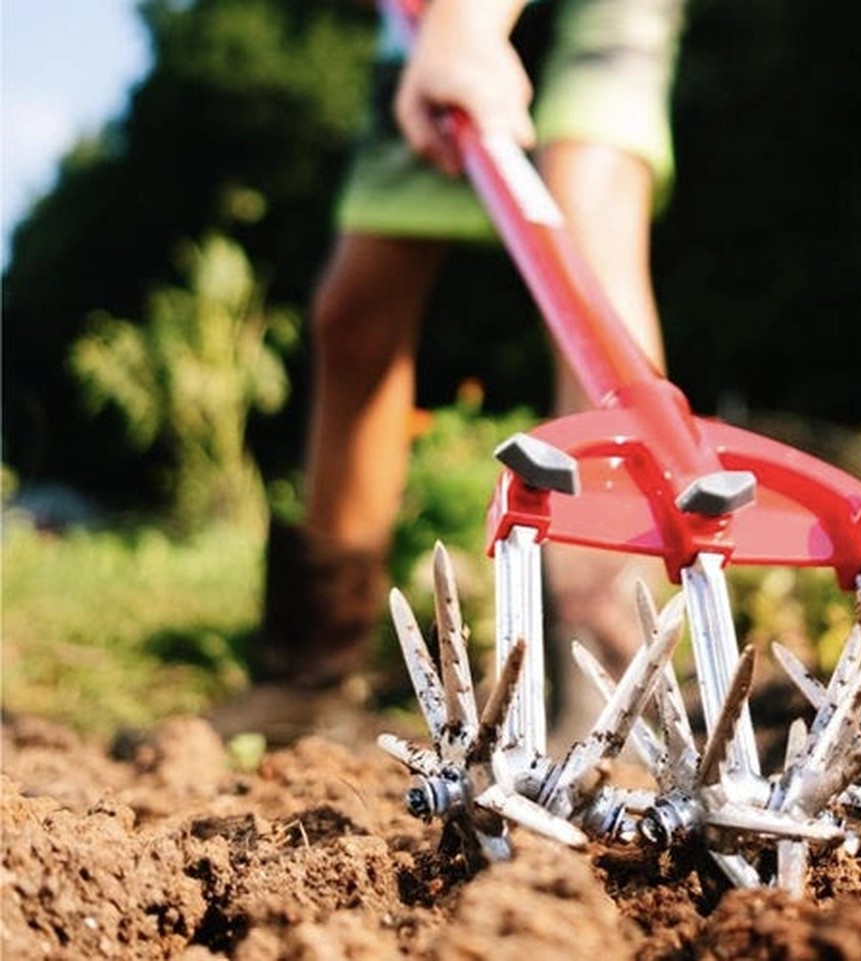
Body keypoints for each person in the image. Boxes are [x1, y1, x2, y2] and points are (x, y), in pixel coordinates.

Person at [211, 0, 686, 745]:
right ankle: (308, 677)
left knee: (586, 258)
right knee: (354, 312)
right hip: (424, 20)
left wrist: (468, 27)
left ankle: (613, 691)